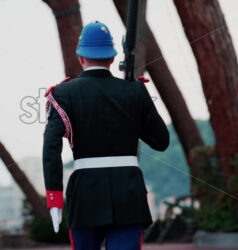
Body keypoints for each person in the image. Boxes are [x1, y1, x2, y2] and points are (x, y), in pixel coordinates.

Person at [42, 21, 169, 250]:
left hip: (85, 196)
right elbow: (161, 141)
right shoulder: (134, 91)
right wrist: (136, 102)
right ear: (111, 58)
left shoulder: (63, 93)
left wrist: (54, 198)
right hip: (128, 194)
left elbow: (51, 145)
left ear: (81, 57)